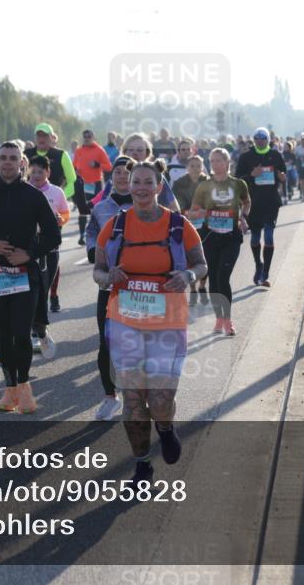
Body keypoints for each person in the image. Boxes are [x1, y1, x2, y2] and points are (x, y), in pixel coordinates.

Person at [94, 159, 207, 485]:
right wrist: (108, 276)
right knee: (132, 398)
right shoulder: (114, 226)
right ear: (129, 186)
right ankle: (142, 464)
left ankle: (166, 426)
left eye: (148, 182)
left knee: (159, 399)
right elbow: (98, 271)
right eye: (136, 182)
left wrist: (186, 274)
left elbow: (201, 264)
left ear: (159, 187)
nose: (141, 188)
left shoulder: (178, 225)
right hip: (124, 321)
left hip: (167, 323)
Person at [0, 142, 61, 414]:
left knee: (21, 332)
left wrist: (29, 254)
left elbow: (54, 236)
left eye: (13, 158)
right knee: (3, 333)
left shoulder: (33, 196)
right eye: (3, 158)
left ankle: (25, 386)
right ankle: (10, 389)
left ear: (22, 164)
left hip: (25, 275)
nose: (7, 162)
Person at [85, 155, 134, 421]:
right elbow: (90, 232)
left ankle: (134, 395)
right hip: (109, 285)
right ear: (112, 177)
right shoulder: (101, 208)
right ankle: (109, 396)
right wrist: (94, 251)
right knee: (106, 342)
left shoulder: (148, 207)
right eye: (117, 173)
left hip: (140, 287)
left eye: (127, 173)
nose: (122, 177)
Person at [189, 149, 251, 335]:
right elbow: (193, 210)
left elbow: (246, 202)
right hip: (211, 236)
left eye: (218, 160)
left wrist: (244, 217)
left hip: (231, 237)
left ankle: (228, 321)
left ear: (226, 161)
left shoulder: (238, 184)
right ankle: (219, 319)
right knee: (214, 281)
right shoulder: (204, 186)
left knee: (223, 277)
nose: (214, 164)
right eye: (212, 161)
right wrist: (197, 213)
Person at [27, 155, 68, 356]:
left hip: (50, 249)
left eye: (40, 172)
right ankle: (32, 333)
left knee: (43, 289)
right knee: (29, 292)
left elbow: (65, 214)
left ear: (48, 173)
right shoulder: (23, 190)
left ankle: (40, 330)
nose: (36, 176)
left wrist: (61, 220)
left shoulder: (56, 192)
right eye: (33, 172)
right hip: (29, 250)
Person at [235, 128, 286, 288]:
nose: (260, 140)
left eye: (263, 138)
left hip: (271, 202)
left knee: (269, 237)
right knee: (255, 238)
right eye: (257, 138)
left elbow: (282, 174)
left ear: (268, 139)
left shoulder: (276, 155)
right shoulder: (246, 156)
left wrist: (282, 177)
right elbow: (237, 179)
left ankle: (265, 275)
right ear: (254, 139)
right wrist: (252, 174)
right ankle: (259, 265)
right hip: (253, 203)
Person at [93, 134, 180, 211]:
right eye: (130, 150)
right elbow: (102, 208)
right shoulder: (117, 176)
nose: (135, 153)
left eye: (140, 150)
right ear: (124, 152)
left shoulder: (156, 176)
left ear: (147, 153)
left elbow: (174, 208)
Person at [171, 154, 210, 305]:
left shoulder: (208, 182)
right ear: (187, 167)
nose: (195, 169)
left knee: (206, 257)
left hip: (206, 224)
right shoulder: (180, 183)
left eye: (198, 166)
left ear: (202, 167)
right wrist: (188, 213)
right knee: (191, 258)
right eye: (192, 166)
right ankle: (193, 288)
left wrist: (206, 211)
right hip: (187, 223)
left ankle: (202, 286)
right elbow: (176, 204)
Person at [72, 129, 112, 246]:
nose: (87, 138)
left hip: (96, 184)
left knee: (96, 210)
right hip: (83, 184)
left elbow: (109, 167)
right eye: (85, 136)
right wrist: (75, 172)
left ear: (93, 137)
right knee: (82, 210)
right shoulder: (79, 151)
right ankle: (81, 235)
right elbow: (74, 165)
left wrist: (97, 164)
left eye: (89, 136)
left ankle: (98, 234)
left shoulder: (99, 150)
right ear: (83, 138)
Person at [281, 140, 298, 204]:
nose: (285, 147)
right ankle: (285, 197)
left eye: (287, 146)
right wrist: (285, 163)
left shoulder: (292, 154)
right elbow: (280, 162)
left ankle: (291, 191)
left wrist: (292, 163)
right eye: (284, 146)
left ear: (290, 147)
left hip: (291, 170)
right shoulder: (282, 154)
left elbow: (295, 161)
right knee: (284, 183)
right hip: (284, 171)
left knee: (291, 181)